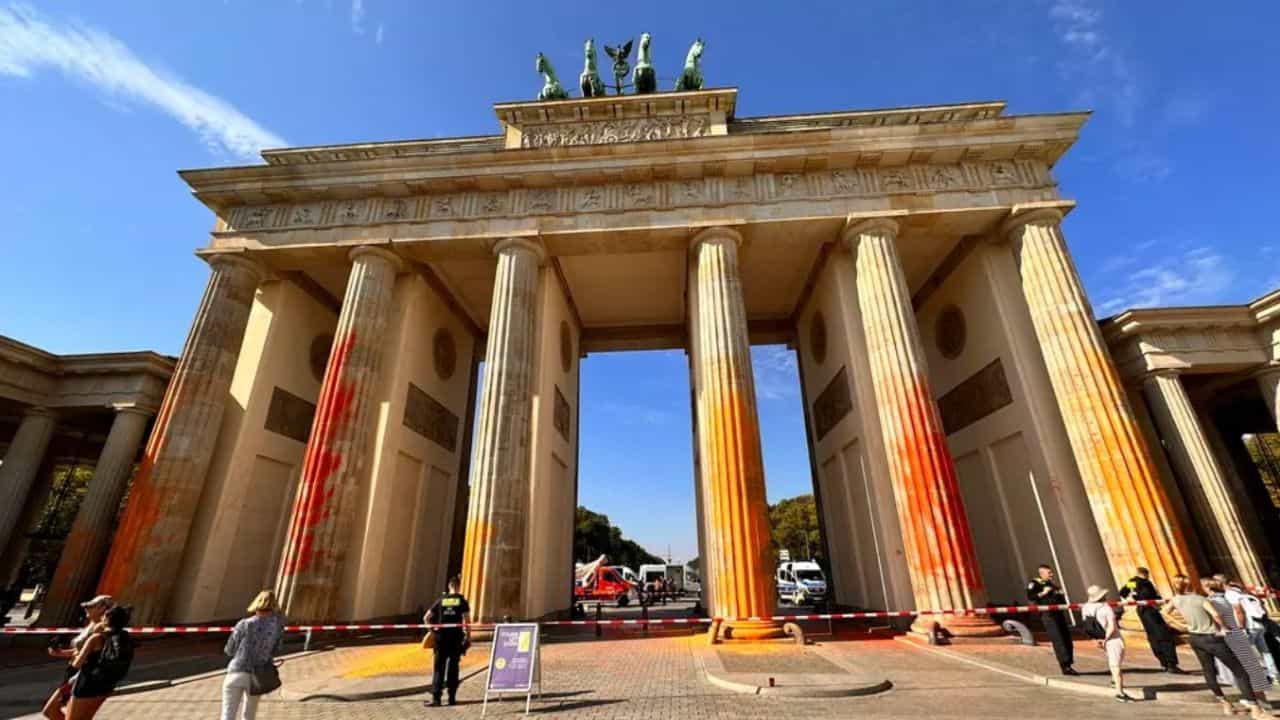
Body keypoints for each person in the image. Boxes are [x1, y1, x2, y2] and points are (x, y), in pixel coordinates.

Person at [1168, 574, 1268, 718]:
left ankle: (1225, 703)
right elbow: (1216, 614)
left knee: (1209, 671)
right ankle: (1255, 707)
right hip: (1215, 637)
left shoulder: (1176, 600)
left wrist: (1182, 625)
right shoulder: (1204, 599)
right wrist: (1223, 628)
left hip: (1195, 638)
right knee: (1241, 670)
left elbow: (1164, 612)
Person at [42, 595, 113, 720]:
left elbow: (89, 653)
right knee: (52, 711)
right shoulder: (91, 625)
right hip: (74, 673)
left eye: (90, 606)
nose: (86, 608)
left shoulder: (100, 628)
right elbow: (81, 650)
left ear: (102, 609)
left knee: (56, 712)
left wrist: (74, 669)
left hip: (82, 675)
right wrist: (60, 653)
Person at [1204, 577, 1272, 706]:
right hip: (1237, 632)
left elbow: (1221, 616)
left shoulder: (1212, 601)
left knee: (1237, 669)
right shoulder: (1227, 597)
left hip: (1228, 634)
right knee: (1251, 664)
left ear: (1208, 588)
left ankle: (1251, 698)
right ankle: (1261, 698)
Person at [221, 590, 284, 720]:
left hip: (236, 671)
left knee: (227, 714)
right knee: (249, 715)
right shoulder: (277, 627)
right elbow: (277, 649)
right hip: (257, 676)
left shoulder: (244, 624)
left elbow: (230, 649)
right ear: (274, 606)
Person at [66, 605, 134, 720]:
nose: (102, 618)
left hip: (86, 685)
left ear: (107, 619)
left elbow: (76, 664)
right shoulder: (124, 638)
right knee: (87, 717)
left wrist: (75, 657)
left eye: (104, 616)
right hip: (107, 684)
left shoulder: (96, 638)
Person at [1118, 567, 1184, 673]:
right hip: (1151, 609)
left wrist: (1134, 598)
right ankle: (1171, 663)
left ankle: (1163, 662)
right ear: (1145, 574)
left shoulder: (1133, 582)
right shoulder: (1145, 582)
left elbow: (1123, 592)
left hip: (1141, 610)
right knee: (1163, 635)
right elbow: (1151, 595)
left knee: (1152, 635)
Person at [1221, 576, 1278, 681]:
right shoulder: (1243, 592)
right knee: (1264, 650)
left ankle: (1257, 676)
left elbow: (1239, 611)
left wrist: (1241, 627)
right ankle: (1274, 674)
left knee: (1246, 651)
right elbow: (1261, 603)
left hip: (1248, 625)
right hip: (1259, 623)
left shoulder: (1230, 594)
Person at [425, 576, 470, 707]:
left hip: (441, 638)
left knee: (439, 668)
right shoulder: (462, 601)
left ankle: (436, 698)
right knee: (453, 666)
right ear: (458, 586)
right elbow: (467, 620)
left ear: (449, 586)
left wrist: (432, 631)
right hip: (455, 637)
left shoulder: (441, 600)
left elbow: (426, 617)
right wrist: (468, 636)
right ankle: (452, 697)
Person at [1082, 585, 1131, 702]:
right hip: (1112, 639)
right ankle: (1119, 692)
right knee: (1116, 665)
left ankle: (1115, 682)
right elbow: (1112, 627)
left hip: (1098, 637)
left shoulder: (1085, 607)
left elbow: (1086, 624)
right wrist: (1106, 638)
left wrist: (1096, 639)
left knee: (1113, 659)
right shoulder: (1106, 608)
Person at [1027, 564, 1077, 675]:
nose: (1051, 575)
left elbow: (1062, 601)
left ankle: (1069, 662)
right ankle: (1065, 665)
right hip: (1048, 615)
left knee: (1066, 638)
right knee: (1058, 639)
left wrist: (1061, 594)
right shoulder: (1034, 584)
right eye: (1049, 573)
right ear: (1042, 573)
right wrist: (1043, 593)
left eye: (1051, 572)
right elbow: (1031, 597)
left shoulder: (1053, 585)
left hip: (1059, 613)